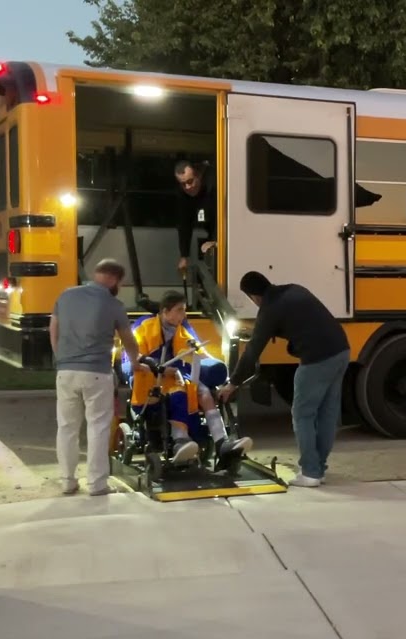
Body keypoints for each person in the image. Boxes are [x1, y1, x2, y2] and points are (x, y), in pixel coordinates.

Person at [220, 272, 350, 488]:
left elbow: (252, 352)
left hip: (317, 359)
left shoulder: (269, 309)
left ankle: (310, 472)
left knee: (303, 415)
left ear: (254, 297)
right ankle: (319, 469)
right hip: (341, 351)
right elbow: (302, 323)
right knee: (327, 412)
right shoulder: (293, 290)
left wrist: (233, 383)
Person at [127, 290, 252, 466]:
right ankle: (180, 441)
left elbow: (199, 353)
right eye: (179, 310)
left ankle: (221, 442)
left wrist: (215, 367)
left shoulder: (183, 330)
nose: (183, 315)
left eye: (184, 310)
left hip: (179, 372)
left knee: (205, 393)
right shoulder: (144, 327)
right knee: (179, 393)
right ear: (165, 312)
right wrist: (156, 366)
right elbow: (133, 354)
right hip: (151, 373)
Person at [49, 259, 140, 496]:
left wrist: (61, 357)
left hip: (66, 371)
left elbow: (54, 329)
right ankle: (97, 484)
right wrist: (136, 361)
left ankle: (68, 481)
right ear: (113, 279)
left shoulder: (66, 296)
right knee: (98, 427)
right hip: (97, 373)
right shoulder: (113, 304)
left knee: (67, 427)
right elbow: (128, 339)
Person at [174, 160, 216, 274]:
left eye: (190, 181)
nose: (187, 187)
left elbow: (224, 218)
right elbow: (184, 225)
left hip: (222, 231)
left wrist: (216, 241)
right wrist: (184, 256)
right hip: (208, 232)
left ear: (198, 175)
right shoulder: (183, 195)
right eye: (183, 184)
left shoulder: (215, 186)